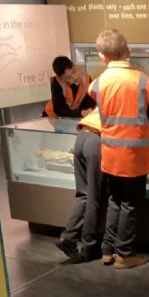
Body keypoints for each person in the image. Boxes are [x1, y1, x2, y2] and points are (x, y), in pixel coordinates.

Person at [88, 28, 149, 269]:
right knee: (131, 203)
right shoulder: (143, 81)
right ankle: (125, 253)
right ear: (127, 51)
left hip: (110, 153)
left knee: (115, 200)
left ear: (102, 56)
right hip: (134, 156)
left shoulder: (98, 83)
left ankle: (107, 250)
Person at [55, 109, 106, 262]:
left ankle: (68, 238)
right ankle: (89, 246)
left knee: (83, 194)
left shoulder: (105, 97)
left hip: (82, 135)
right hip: (96, 139)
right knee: (94, 197)